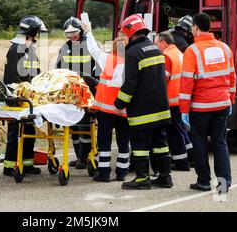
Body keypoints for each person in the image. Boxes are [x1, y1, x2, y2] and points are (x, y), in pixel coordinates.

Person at [114, 14, 173, 190]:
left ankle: (142, 179)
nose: (123, 39)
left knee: (140, 145)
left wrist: (119, 104)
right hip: (161, 108)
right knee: (160, 144)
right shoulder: (156, 49)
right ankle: (165, 177)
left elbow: (131, 83)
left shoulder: (133, 53)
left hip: (143, 111)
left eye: (124, 35)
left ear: (131, 33)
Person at [179, 13, 236, 192]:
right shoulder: (225, 48)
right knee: (220, 142)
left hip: (201, 107)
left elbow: (187, 82)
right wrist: (231, 100)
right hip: (222, 104)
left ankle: (203, 181)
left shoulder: (192, 51)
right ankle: (224, 182)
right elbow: (232, 78)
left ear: (195, 28)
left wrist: (184, 110)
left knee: (200, 142)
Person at [81, 20, 130, 182]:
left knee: (104, 141)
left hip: (105, 111)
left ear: (113, 48)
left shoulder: (106, 59)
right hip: (123, 110)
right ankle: (122, 172)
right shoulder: (132, 63)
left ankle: (104, 173)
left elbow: (93, 48)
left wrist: (88, 31)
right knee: (123, 141)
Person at [2, 15, 47, 177]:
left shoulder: (30, 49)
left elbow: (35, 73)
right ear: (32, 31)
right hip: (16, 98)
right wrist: (20, 96)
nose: (38, 36)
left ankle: (27, 163)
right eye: (37, 32)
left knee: (29, 129)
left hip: (29, 98)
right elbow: (13, 77)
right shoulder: (16, 49)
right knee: (15, 132)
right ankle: (9, 165)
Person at [56, 17, 100, 169]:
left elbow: (99, 69)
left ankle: (85, 157)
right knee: (72, 125)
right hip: (70, 93)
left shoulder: (91, 46)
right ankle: (79, 155)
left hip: (87, 92)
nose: (71, 37)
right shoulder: (64, 48)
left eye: (74, 33)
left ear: (81, 31)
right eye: (68, 34)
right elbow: (58, 70)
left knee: (84, 125)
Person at [155, 31, 193, 171]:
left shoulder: (166, 56)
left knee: (174, 132)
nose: (156, 46)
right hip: (180, 98)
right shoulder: (179, 53)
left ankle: (181, 161)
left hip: (171, 100)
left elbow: (163, 80)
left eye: (156, 43)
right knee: (181, 129)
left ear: (163, 43)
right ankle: (190, 156)